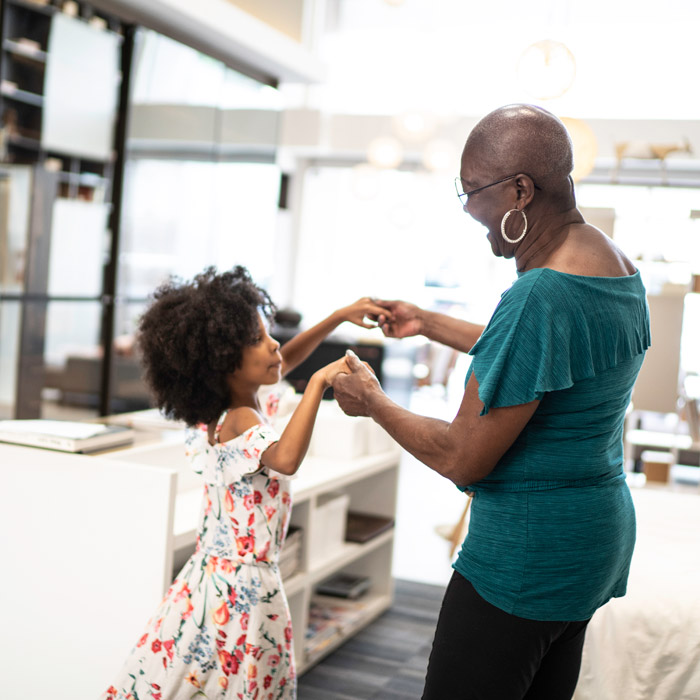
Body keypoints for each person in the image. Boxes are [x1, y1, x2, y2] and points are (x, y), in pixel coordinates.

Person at [333, 104, 651, 700]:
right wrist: (427, 322)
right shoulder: (614, 265)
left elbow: (462, 457)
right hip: (592, 543)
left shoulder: (540, 294)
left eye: (471, 191)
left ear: (521, 190)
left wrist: (374, 401)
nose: (468, 209)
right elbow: (548, 361)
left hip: (529, 554)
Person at [102, 266, 389, 700]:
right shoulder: (242, 419)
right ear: (224, 360)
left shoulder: (224, 407)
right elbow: (286, 459)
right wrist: (317, 383)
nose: (274, 345)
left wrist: (336, 317)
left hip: (212, 577)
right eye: (259, 339)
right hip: (243, 588)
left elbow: (283, 360)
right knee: (244, 683)